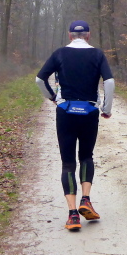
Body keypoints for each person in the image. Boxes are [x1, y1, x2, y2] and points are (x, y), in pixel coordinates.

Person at [35, 20, 115, 231]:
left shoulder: (60, 53)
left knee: (68, 163)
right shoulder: (97, 54)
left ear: (70, 35)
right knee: (86, 156)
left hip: (66, 112)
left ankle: (72, 215)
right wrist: (106, 108)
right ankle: (85, 200)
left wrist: (52, 97)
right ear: (88, 35)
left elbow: (40, 79)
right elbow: (109, 82)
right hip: (89, 111)